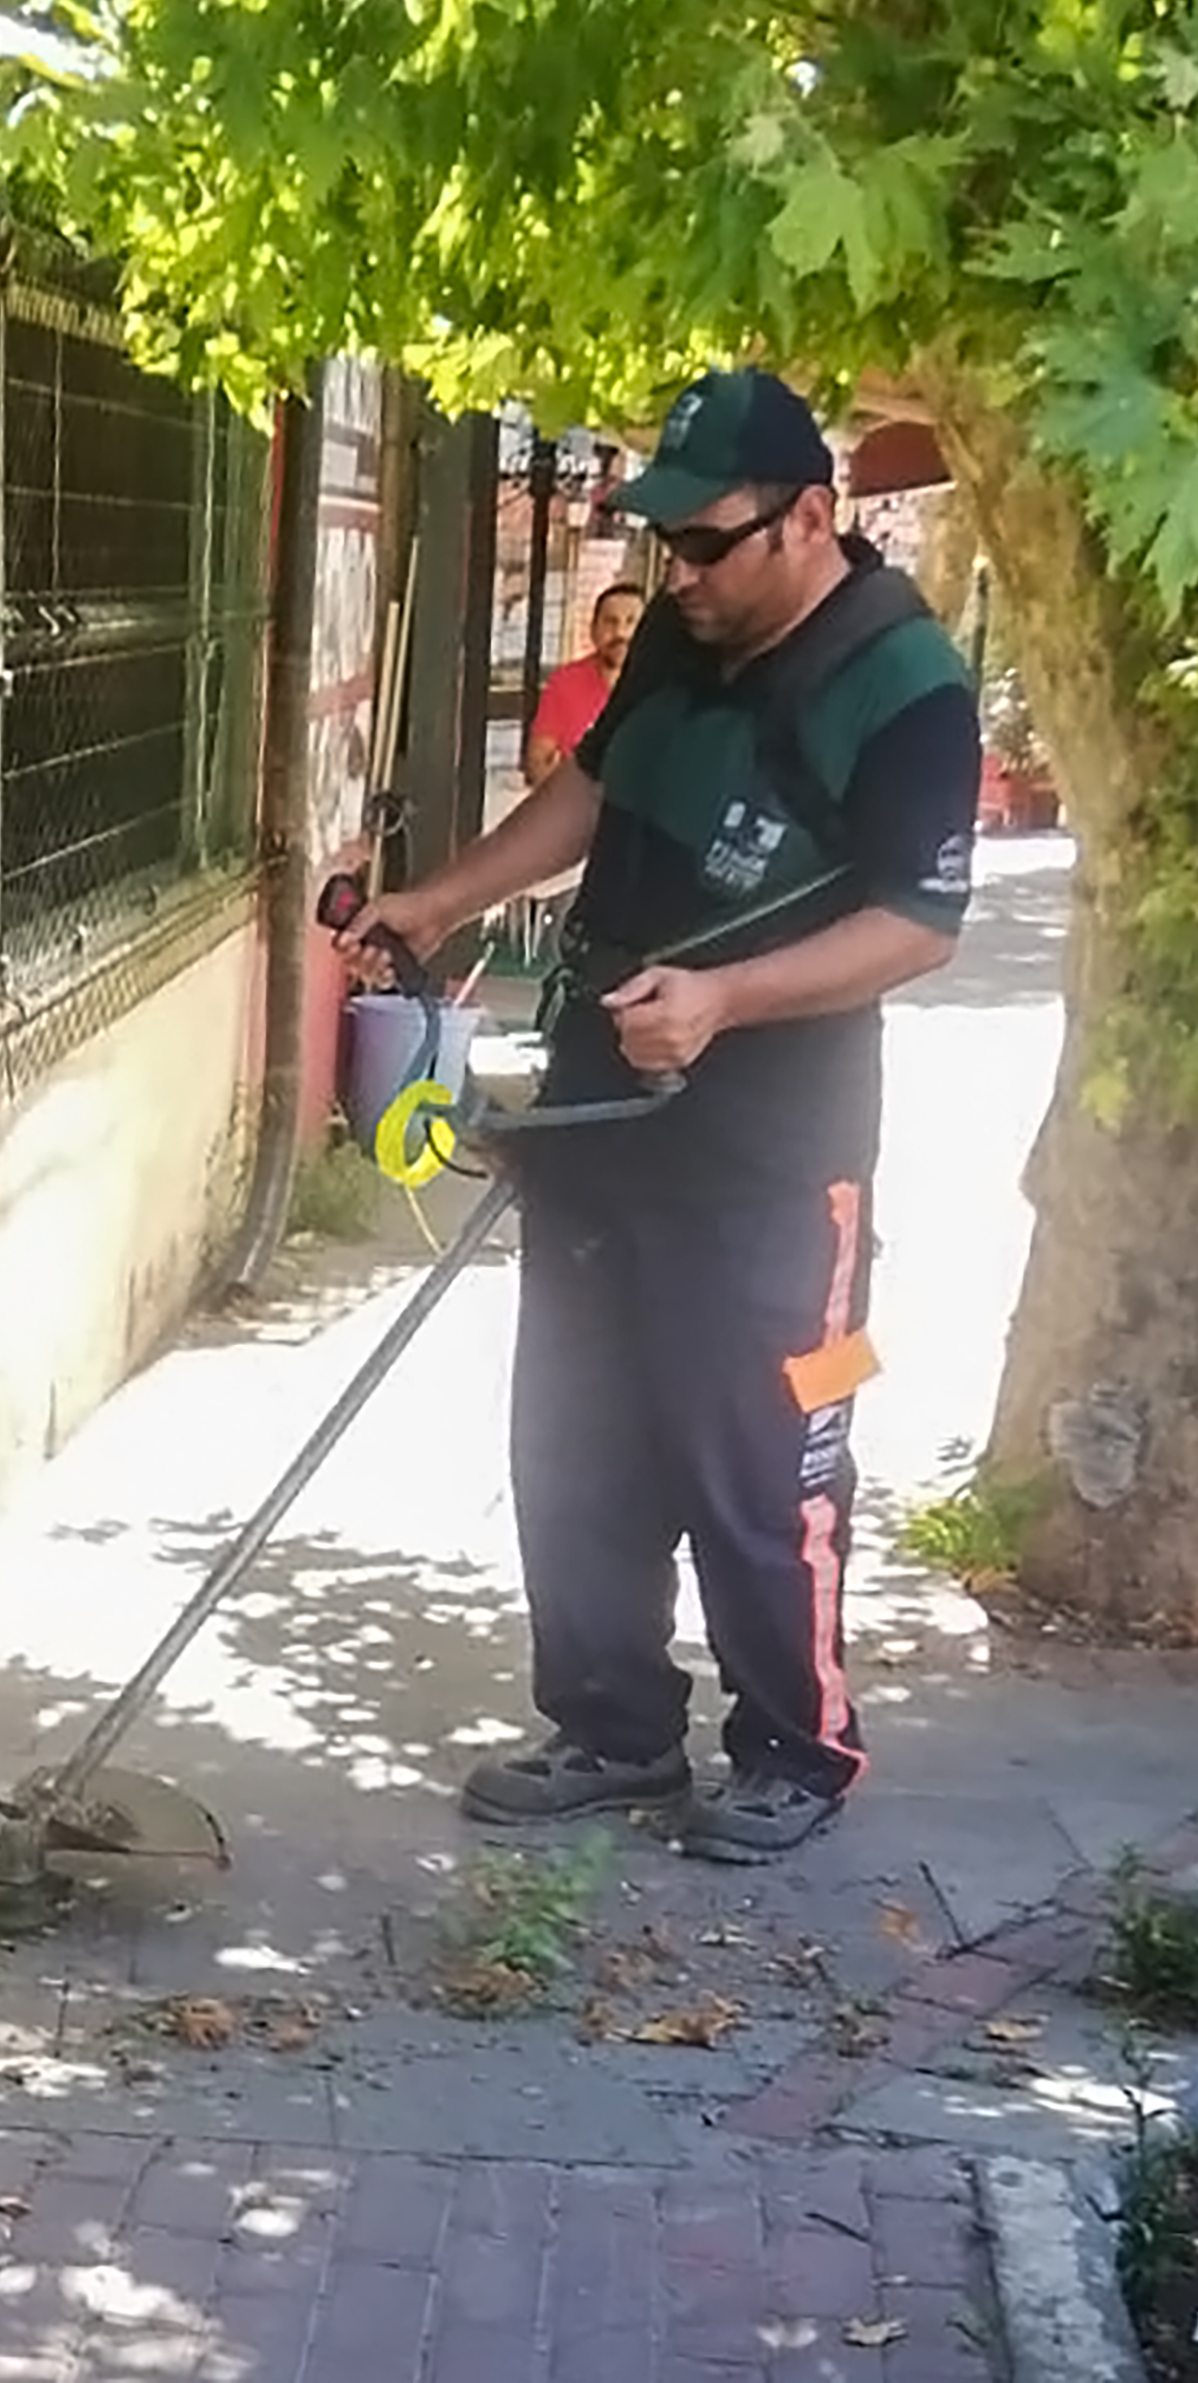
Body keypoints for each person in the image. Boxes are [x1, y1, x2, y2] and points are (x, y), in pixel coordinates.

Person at [333, 368, 981, 1862]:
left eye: (706, 542)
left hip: (774, 1149)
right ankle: (613, 1724)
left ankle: (797, 1747)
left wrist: (727, 998)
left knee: (763, 1452)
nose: (674, 574)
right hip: (598, 1115)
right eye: (663, 545)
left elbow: (920, 922)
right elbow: (596, 791)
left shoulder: (906, 681)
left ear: (810, 517)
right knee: (577, 1441)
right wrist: (443, 896)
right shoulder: (688, 641)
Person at [520, 583, 646, 793]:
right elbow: (537, 762)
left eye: (631, 622)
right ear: (593, 630)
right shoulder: (565, 682)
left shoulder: (661, 688)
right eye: (610, 622)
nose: (621, 632)